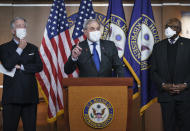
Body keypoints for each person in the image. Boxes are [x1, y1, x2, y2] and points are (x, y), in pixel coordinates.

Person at [0, 17, 43, 131]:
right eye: (19, 26)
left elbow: (39, 66)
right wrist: (19, 49)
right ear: (12, 31)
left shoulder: (33, 48)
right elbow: (8, 65)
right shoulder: (4, 48)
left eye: (23, 26)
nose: (22, 28)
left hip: (29, 97)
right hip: (11, 98)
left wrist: (22, 67)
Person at [151, 18, 190, 131]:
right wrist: (163, 85)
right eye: (167, 26)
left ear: (179, 29)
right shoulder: (158, 47)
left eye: (173, 26)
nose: (169, 29)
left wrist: (186, 85)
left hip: (185, 96)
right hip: (166, 96)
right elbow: (153, 71)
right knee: (168, 127)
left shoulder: (188, 44)